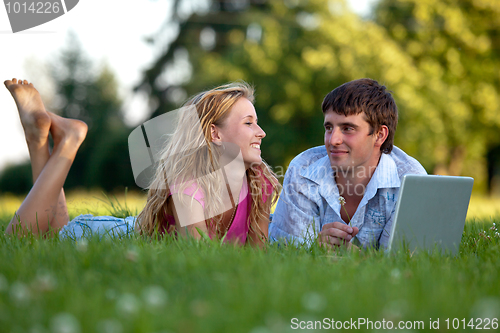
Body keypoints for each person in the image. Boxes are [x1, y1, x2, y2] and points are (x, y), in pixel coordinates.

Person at [4, 78, 280, 246]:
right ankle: (66, 142)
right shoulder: (189, 187)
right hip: (110, 237)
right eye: (249, 123)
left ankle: (38, 137)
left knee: (49, 230)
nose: (261, 132)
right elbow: (199, 256)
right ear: (215, 133)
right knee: (22, 240)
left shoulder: (260, 183)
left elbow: (256, 258)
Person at [268, 78, 426, 249]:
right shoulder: (303, 169)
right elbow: (287, 251)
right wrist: (314, 248)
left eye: (348, 128)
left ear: (380, 135)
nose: (333, 140)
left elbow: (404, 260)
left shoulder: (410, 179)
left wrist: (355, 257)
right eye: (329, 127)